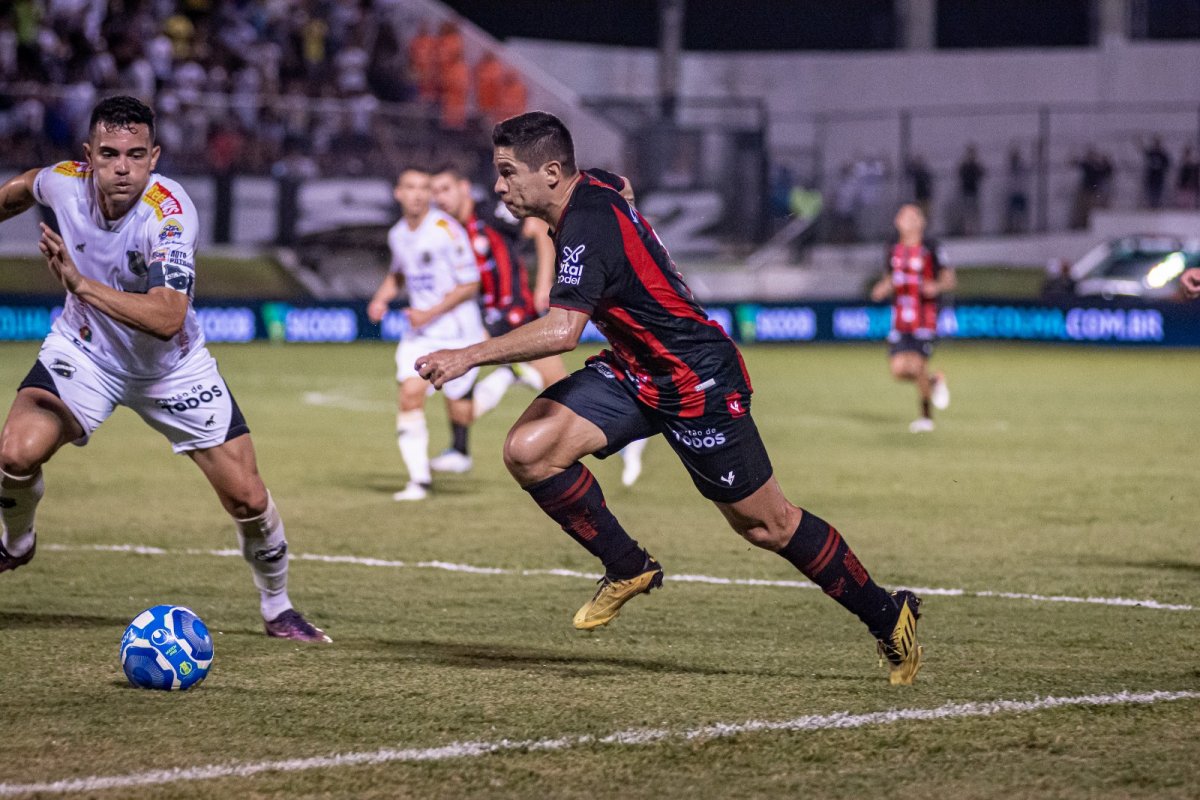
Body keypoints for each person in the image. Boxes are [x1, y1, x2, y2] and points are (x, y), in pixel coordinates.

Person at [415, 111, 923, 685]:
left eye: (508, 173)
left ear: (552, 173)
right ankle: (628, 566)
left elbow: (561, 332)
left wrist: (467, 355)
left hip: (696, 378)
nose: (499, 186)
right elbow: (621, 185)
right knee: (529, 449)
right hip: (637, 372)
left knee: (767, 526)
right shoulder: (595, 185)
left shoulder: (585, 226)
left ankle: (889, 613)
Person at [0, 96, 329, 643]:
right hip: (84, 352)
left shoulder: (170, 213)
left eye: (135, 154)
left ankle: (279, 609)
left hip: (172, 369)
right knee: (14, 452)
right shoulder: (64, 183)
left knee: (246, 497)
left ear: (155, 157)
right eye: (109, 154)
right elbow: (24, 186)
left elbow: (167, 316)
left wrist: (82, 286)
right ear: (89, 156)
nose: (122, 167)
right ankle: (15, 542)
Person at [430, 163, 649, 486]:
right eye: (435, 192)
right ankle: (464, 444)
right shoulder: (453, 228)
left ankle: (629, 435)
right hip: (489, 314)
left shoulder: (490, 212)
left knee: (563, 392)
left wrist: (545, 282)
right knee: (460, 385)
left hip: (516, 310)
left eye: (445, 189)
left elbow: (537, 232)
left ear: (463, 188)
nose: (440, 198)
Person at [367, 166, 485, 498]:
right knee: (409, 393)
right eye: (411, 187)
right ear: (398, 193)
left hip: (457, 332)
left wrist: (428, 313)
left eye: (424, 188)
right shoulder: (397, 234)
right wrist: (380, 298)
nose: (418, 194)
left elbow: (470, 283)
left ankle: (507, 376)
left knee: (461, 408)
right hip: (421, 334)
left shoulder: (446, 230)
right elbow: (399, 273)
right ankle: (419, 480)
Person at [870, 203, 956, 434]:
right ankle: (934, 381)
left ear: (921, 221)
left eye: (913, 215)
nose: (908, 219)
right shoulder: (892, 248)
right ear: (897, 222)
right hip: (900, 316)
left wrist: (935, 286)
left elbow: (950, 280)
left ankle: (926, 417)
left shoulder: (931, 247)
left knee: (917, 364)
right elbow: (891, 277)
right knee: (899, 370)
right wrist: (882, 288)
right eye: (903, 215)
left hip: (925, 316)